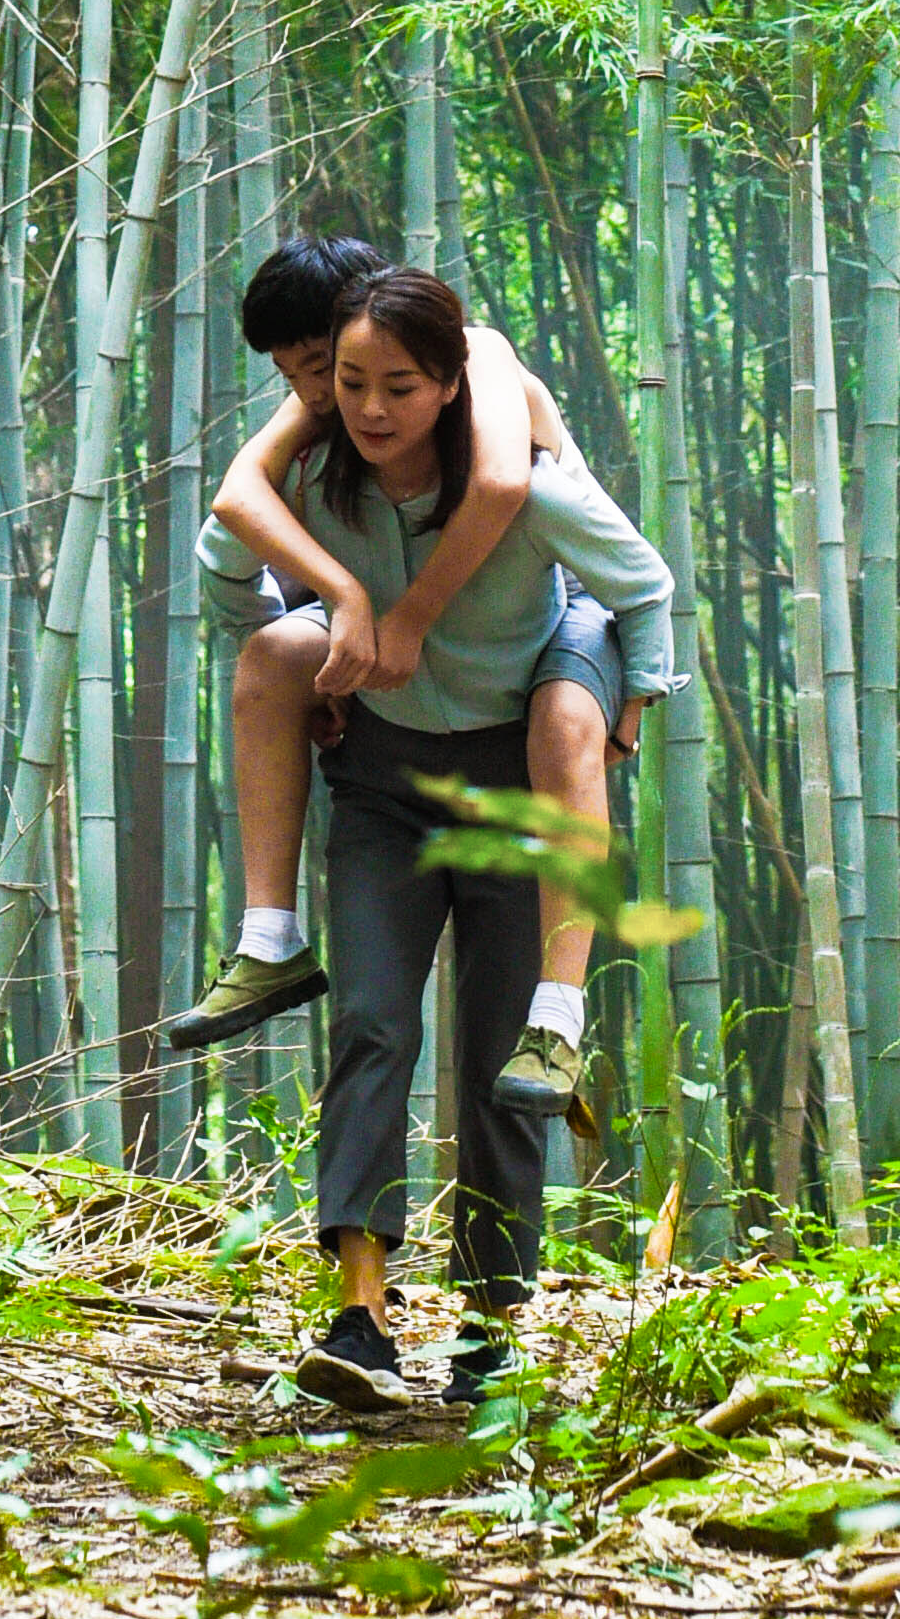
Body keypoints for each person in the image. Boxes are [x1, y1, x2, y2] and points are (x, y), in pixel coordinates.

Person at [223, 265, 680, 1421]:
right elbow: (222, 557)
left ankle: (488, 1326)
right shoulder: (315, 479)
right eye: (351, 384)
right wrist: (300, 653)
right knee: (370, 1021)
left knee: (498, 1061)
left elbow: (642, 587)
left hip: (511, 786)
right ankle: (361, 1318)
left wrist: (632, 698)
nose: (371, 408)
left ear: (447, 386)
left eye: (400, 387)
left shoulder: (522, 486)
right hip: (382, 784)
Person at [163, 230, 589, 1071]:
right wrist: (331, 639)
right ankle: (267, 938)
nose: (322, 396)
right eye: (296, 379)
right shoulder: (338, 398)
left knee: (572, 722)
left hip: (557, 602)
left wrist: (407, 619)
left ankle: (563, 1009)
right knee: (275, 655)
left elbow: (505, 487)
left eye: (324, 368)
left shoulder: (469, 356)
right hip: (410, 646)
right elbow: (233, 506)